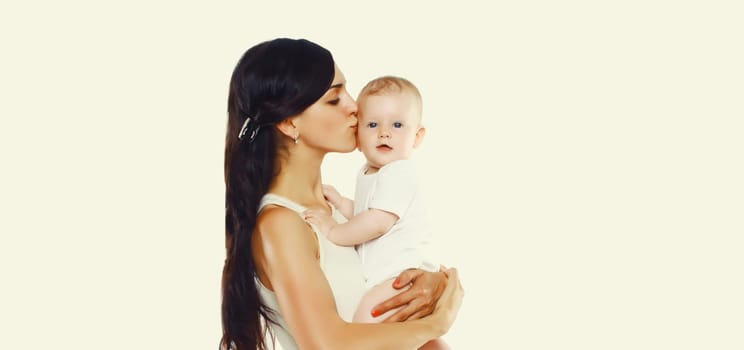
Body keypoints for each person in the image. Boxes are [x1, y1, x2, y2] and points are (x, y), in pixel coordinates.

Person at [221, 38, 464, 350]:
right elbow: (328, 345)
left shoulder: (332, 213)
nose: (355, 107)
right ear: (289, 122)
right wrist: (437, 322)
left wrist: (429, 282)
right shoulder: (281, 224)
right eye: (335, 99)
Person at [303, 76, 450, 349]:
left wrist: (333, 229)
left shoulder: (399, 171)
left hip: (403, 276)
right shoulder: (371, 173)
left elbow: (378, 222)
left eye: (397, 125)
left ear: (417, 137)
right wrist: (342, 203)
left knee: (365, 324)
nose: (384, 133)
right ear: (358, 135)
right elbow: (365, 214)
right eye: (372, 124)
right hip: (390, 276)